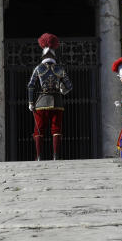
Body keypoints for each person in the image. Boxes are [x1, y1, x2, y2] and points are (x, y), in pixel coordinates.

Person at [27, 32, 73, 161]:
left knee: (39, 130)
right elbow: (69, 86)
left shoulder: (38, 68)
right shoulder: (60, 68)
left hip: (41, 103)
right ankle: (55, 156)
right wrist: (62, 91)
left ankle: (39, 156)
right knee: (56, 129)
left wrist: (31, 102)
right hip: (57, 103)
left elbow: (31, 85)